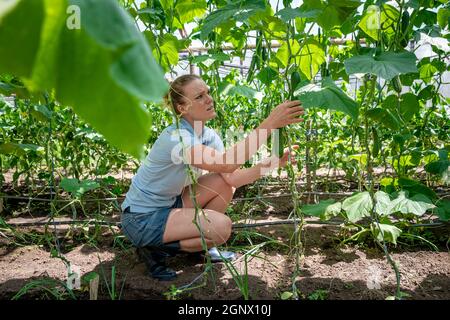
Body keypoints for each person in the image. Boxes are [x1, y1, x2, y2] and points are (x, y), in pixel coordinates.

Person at [121, 74, 304, 280]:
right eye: (199, 96)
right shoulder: (176, 137)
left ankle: (196, 248)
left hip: (170, 205)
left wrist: (272, 164)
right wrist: (270, 123)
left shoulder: (209, 136)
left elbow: (231, 178)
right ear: (182, 108)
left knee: (223, 184)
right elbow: (227, 162)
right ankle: (154, 249)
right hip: (141, 218)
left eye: (208, 93)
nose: (209, 99)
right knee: (221, 228)